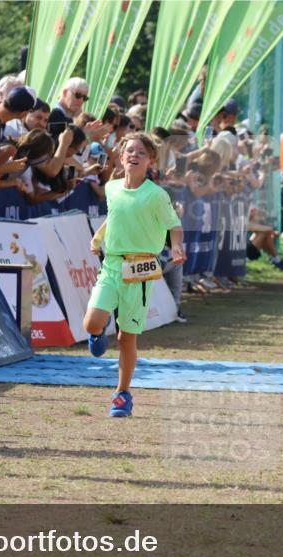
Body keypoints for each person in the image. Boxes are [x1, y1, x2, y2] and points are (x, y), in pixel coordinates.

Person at [83, 132, 185, 418]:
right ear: (121, 155)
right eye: (129, 151)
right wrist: (98, 237)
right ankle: (98, 330)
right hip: (113, 264)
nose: (134, 156)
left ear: (150, 160)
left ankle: (122, 394)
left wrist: (176, 247)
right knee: (92, 323)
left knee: (127, 337)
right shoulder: (112, 188)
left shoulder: (156, 194)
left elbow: (173, 225)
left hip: (141, 267)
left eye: (141, 152)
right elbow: (116, 215)